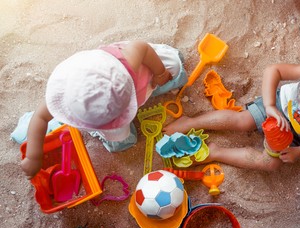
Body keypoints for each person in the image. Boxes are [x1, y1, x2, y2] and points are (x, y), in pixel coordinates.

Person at [21, 40, 187, 179]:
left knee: (175, 66)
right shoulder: (65, 93)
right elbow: (40, 118)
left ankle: (162, 72)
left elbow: (141, 47)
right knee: (121, 142)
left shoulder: (126, 63)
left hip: (136, 76)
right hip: (127, 88)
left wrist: (160, 72)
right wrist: (33, 156)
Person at [163, 63, 300, 171]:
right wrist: (269, 106)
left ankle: (216, 153)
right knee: (242, 121)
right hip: (278, 106)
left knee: (269, 164)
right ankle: (190, 122)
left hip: (297, 137)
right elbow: (273, 71)